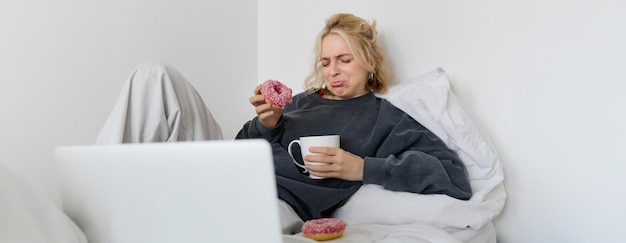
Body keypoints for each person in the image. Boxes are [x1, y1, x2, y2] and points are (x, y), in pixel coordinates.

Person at [236, 13, 472, 230]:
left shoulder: (388, 117)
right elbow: (236, 148)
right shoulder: (300, 102)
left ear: (370, 60)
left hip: (281, 204)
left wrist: (363, 169)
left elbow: (453, 175)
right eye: (326, 63)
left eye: (344, 60)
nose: (333, 72)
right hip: (242, 179)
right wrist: (267, 125)